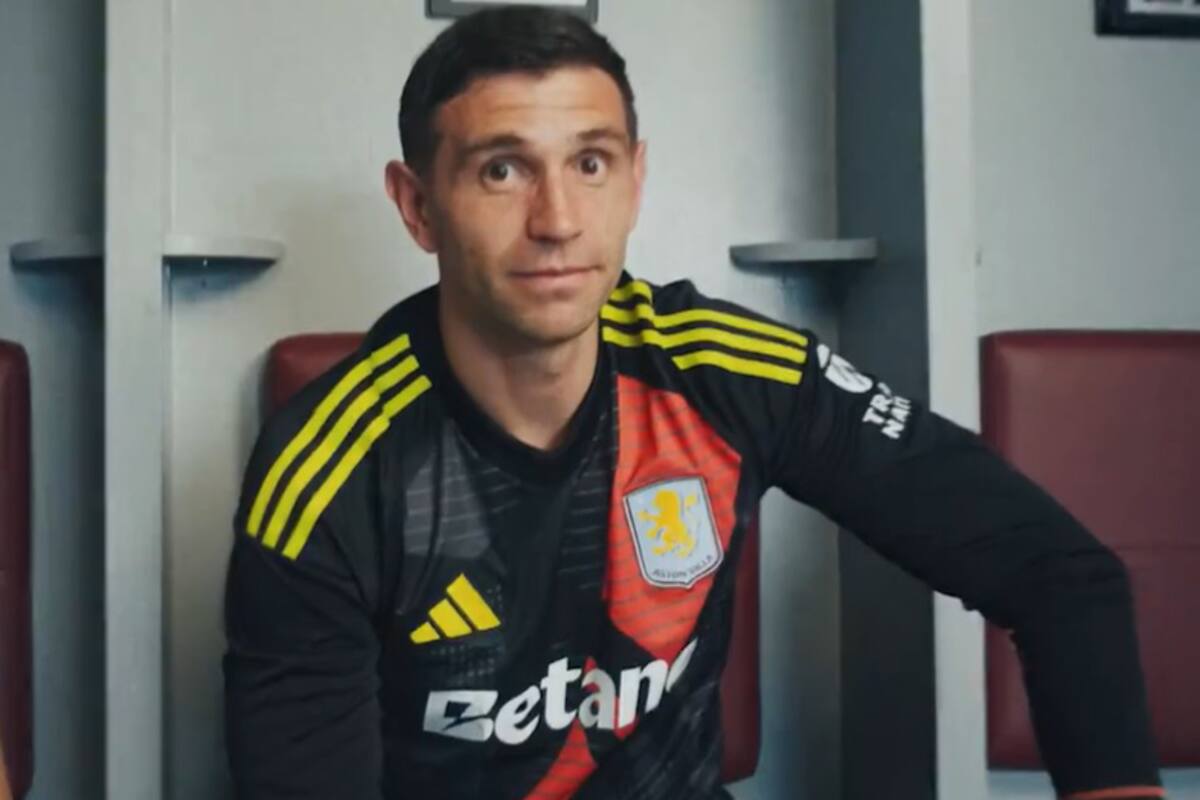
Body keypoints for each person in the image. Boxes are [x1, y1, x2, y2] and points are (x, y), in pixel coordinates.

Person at [223, 6, 1163, 799]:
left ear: (635, 180)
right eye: (501, 170)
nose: (557, 220)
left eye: (590, 164)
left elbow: (1058, 573)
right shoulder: (331, 469)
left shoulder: (721, 371)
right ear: (418, 205)